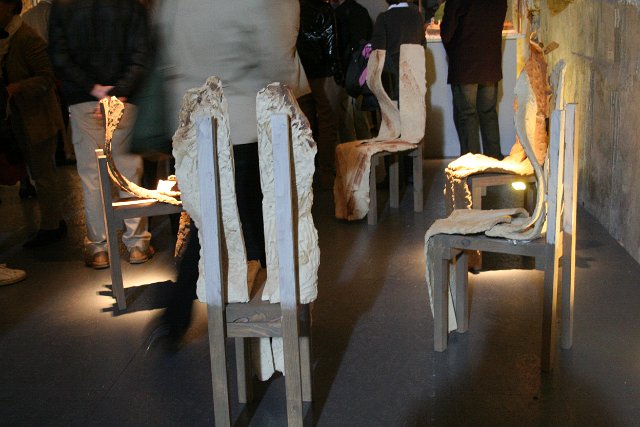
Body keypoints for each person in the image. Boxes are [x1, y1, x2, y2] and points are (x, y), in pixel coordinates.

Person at [146, 0, 311, 349]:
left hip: (192, 128)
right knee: (265, 219)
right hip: (241, 126)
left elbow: (165, 56)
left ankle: (176, 318)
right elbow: (272, 61)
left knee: (206, 225)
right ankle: (277, 320)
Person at [48, 0, 153, 269]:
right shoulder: (133, 4)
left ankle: (98, 249)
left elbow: (59, 57)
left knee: (91, 177)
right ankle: (137, 245)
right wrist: (118, 92)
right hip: (125, 100)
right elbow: (141, 55)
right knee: (128, 172)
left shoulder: (63, 5)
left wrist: (94, 89)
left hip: (83, 101)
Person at [1, 0, 67, 248]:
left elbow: (46, 77)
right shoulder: (9, 37)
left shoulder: (26, 37)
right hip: (20, 117)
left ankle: (52, 225)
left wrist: (16, 88)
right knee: (37, 172)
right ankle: (51, 223)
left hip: (37, 118)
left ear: (9, 6)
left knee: (43, 173)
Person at [440, 0, 507, 159]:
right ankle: (494, 161)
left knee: (467, 115)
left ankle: (472, 164)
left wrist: (453, 50)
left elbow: (447, 31)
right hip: (490, 62)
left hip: (465, 63)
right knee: (489, 113)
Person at [297, 0, 342, 189]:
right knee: (327, 122)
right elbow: (331, 43)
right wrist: (337, 72)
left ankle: (307, 175)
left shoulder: (294, 8)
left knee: (305, 125)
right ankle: (326, 173)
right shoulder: (324, 9)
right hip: (323, 72)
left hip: (300, 73)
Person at [332, 0, 374, 142]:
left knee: (345, 112)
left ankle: (349, 147)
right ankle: (365, 143)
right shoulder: (362, 11)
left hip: (345, 67)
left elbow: (336, 43)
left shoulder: (337, 13)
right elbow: (369, 40)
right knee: (360, 109)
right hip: (361, 67)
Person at [370, 0, 424, 101]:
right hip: (414, 73)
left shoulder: (384, 18)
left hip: (392, 77)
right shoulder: (417, 16)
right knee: (412, 107)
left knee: (394, 108)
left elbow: (378, 51)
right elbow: (422, 45)